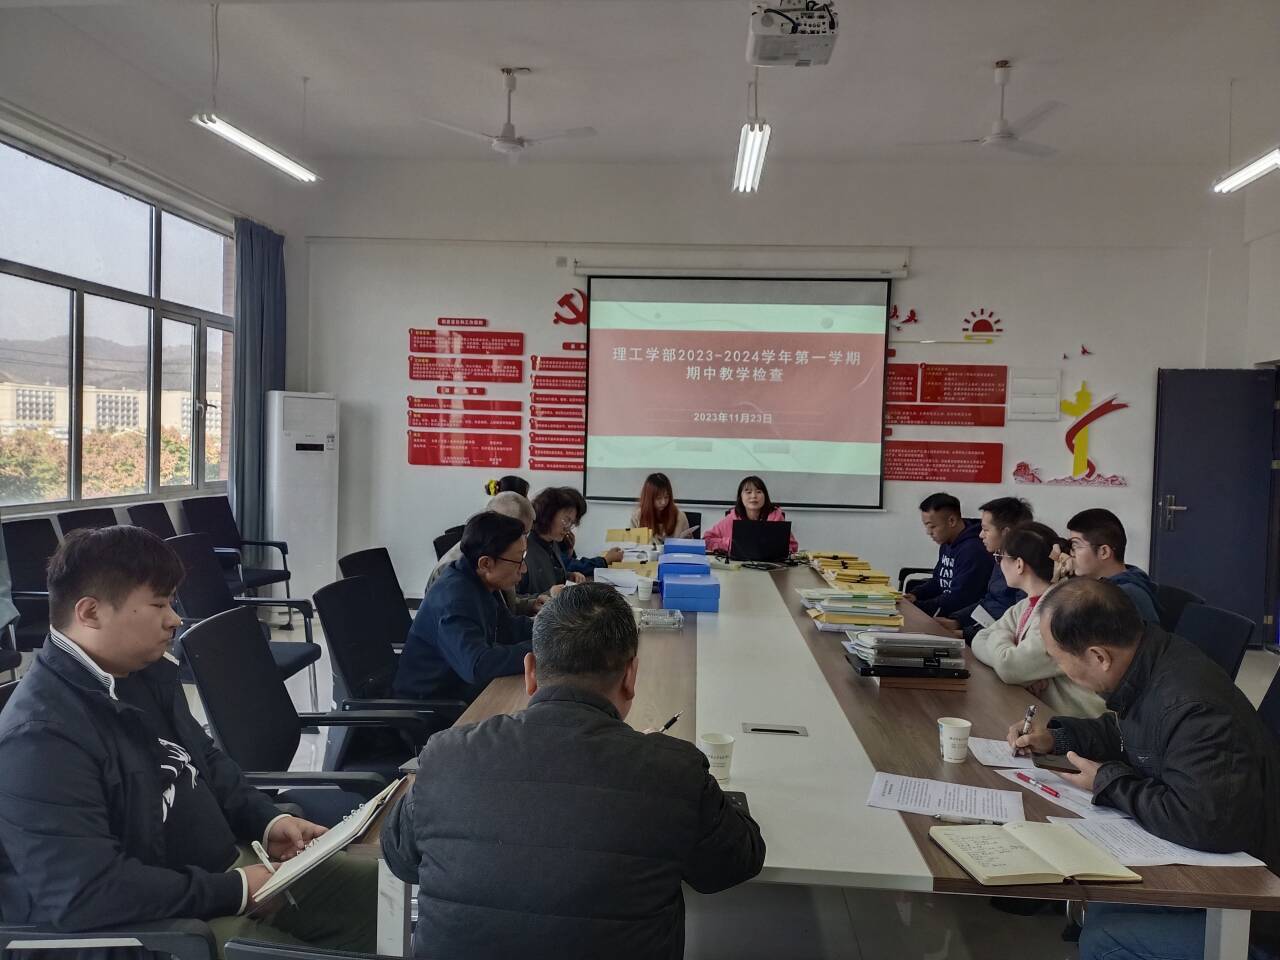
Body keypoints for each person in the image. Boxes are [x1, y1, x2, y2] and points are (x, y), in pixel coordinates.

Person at [0, 526, 375, 956]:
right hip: (168, 926)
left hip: (224, 872)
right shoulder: (39, 739)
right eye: (159, 604)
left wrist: (268, 822)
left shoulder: (138, 672)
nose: (174, 619)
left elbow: (204, 760)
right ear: (90, 613)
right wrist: (235, 890)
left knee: (387, 896)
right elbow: (87, 893)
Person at [381, 583, 766, 960]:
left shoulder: (445, 755)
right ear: (631, 676)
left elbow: (400, 857)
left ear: (530, 672)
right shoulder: (673, 770)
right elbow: (736, 862)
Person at [1008, 578, 1280, 960]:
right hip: (1226, 868)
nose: (1059, 668)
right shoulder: (1151, 661)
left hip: (1253, 906)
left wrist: (1107, 782)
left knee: (1104, 939)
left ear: (1098, 656)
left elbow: (1204, 821)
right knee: (1102, 908)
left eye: (1059, 659)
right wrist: (1058, 738)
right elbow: (1129, 734)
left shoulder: (1190, 705)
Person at [395, 511, 534, 704]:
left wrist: (557, 630)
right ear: (486, 563)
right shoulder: (454, 598)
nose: (524, 568)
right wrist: (544, 650)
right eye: (518, 560)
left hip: (463, 692)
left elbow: (509, 628)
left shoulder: (478, 580)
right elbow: (478, 665)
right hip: (435, 706)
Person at [971, 523, 1104, 718]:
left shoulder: (1063, 610)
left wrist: (1006, 651)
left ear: (1019, 564)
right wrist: (1017, 667)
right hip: (1045, 712)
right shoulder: (1025, 605)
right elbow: (979, 639)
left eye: (1000, 557)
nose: (998, 564)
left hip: (1081, 722)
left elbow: (1010, 668)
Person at [428, 492, 549, 615]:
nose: (525, 541)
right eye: (521, 533)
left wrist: (531, 605)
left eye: (527, 534)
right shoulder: (454, 573)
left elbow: (505, 606)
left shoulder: (498, 555)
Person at [939, 496, 1032, 642]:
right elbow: (989, 601)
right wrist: (956, 621)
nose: (981, 535)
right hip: (982, 634)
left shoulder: (1027, 568)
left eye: (985, 529)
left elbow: (1015, 619)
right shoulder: (1000, 557)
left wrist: (964, 633)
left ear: (1006, 532)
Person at [1062, 508, 1163, 624]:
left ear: (1104, 552)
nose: (1071, 553)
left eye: (1075, 545)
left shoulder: (1125, 596)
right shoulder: (1119, 584)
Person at [908, 493, 993, 617]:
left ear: (951, 521)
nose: (928, 532)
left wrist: (918, 606)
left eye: (932, 526)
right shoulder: (947, 542)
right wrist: (914, 595)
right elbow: (938, 581)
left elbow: (961, 598)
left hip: (960, 618)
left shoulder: (973, 549)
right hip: (945, 611)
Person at [703, 475, 798, 556]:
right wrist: (731, 544)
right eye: (748, 492)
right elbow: (707, 540)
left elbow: (792, 546)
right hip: (739, 566)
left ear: (765, 496)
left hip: (771, 566)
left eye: (759, 492)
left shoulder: (776, 517)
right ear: (740, 497)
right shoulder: (732, 517)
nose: (753, 496)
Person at [558, 487, 624, 576]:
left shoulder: (559, 538)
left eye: (572, 523)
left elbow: (567, 564)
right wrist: (605, 560)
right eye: (567, 520)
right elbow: (569, 566)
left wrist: (569, 550)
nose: (568, 528)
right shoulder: (548, 539)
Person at [629, 472, 693, 544]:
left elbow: (690, 545)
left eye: (666, 497)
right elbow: (631, 545)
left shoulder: (680, 517)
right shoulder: (637, 517)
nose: (663, 502)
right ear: (649, 498)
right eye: (658, 498)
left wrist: (688, 540)